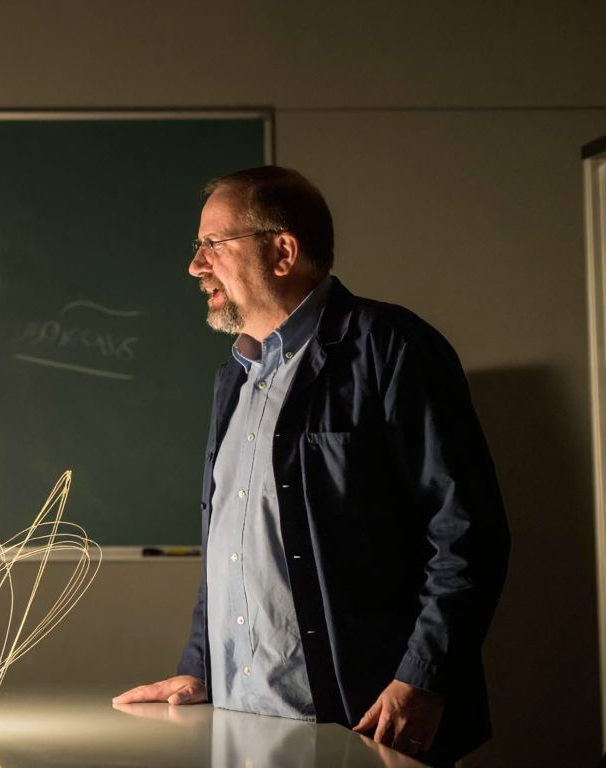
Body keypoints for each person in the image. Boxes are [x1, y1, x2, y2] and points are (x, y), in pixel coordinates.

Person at [112, 166, 510, 766]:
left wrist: (422, 679)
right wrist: (200, 670)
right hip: (240, 728)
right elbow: (233, 548)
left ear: (283, 252)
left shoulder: (390, 347)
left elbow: (468, 534)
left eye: (212, 246)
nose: (196, 266)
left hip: (362, 724)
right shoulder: (234, 378)